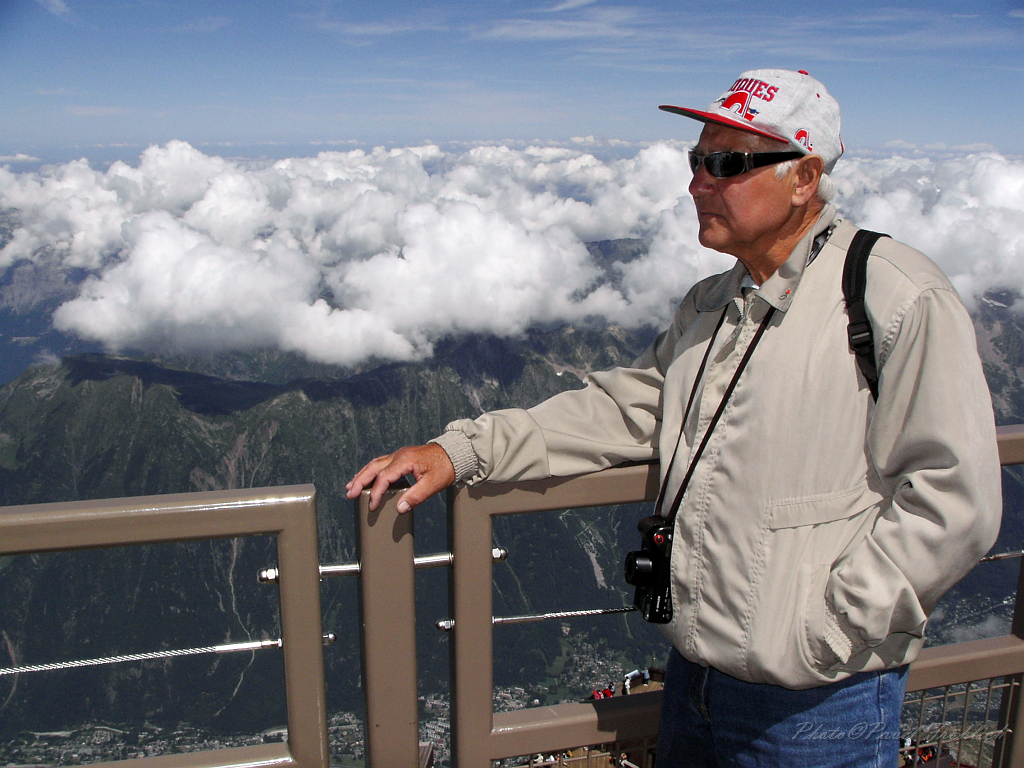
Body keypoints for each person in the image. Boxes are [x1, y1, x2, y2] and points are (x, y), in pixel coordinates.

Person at [346, 69, 1002, 766]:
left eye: (727, 163)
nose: (697, 182)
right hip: (695, 677)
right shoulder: (712, 303)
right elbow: (626, 408)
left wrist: (829, 627)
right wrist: (461, 451)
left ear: (805, 177)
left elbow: (955, 498)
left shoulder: (894, 297)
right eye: (697, 160)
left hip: (817, 699)